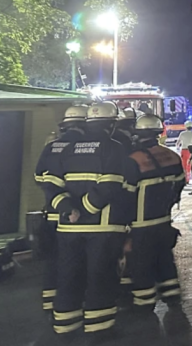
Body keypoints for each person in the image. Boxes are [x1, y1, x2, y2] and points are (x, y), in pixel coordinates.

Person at [39, 102, 130, 336]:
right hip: (103, 228)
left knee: (68, 276)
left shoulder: (67, 148)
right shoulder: (114, 147)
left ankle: (65, 327)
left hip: (68, 228)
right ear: (111, 125)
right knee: (100, 276)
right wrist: (86, 210)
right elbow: (110, 186)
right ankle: (99, 330)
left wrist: (68, 209)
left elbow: (50, 185)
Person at [122, 114, 186, 311]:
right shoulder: (172, 156)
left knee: (141, 264)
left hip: (141, 225)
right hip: (164, 221)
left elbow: (125, 196)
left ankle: (145, 303)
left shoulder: (133, 160)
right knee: (165, 258)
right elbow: (179, 185)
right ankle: (172, 295)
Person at [33, 104, 89, 315]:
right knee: (73, 261)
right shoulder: (83, 146)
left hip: (52, 212)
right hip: (76, 216)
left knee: (53, 259)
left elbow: (39, 178)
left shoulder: (51, 146)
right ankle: (75, 304)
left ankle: (50, 301)